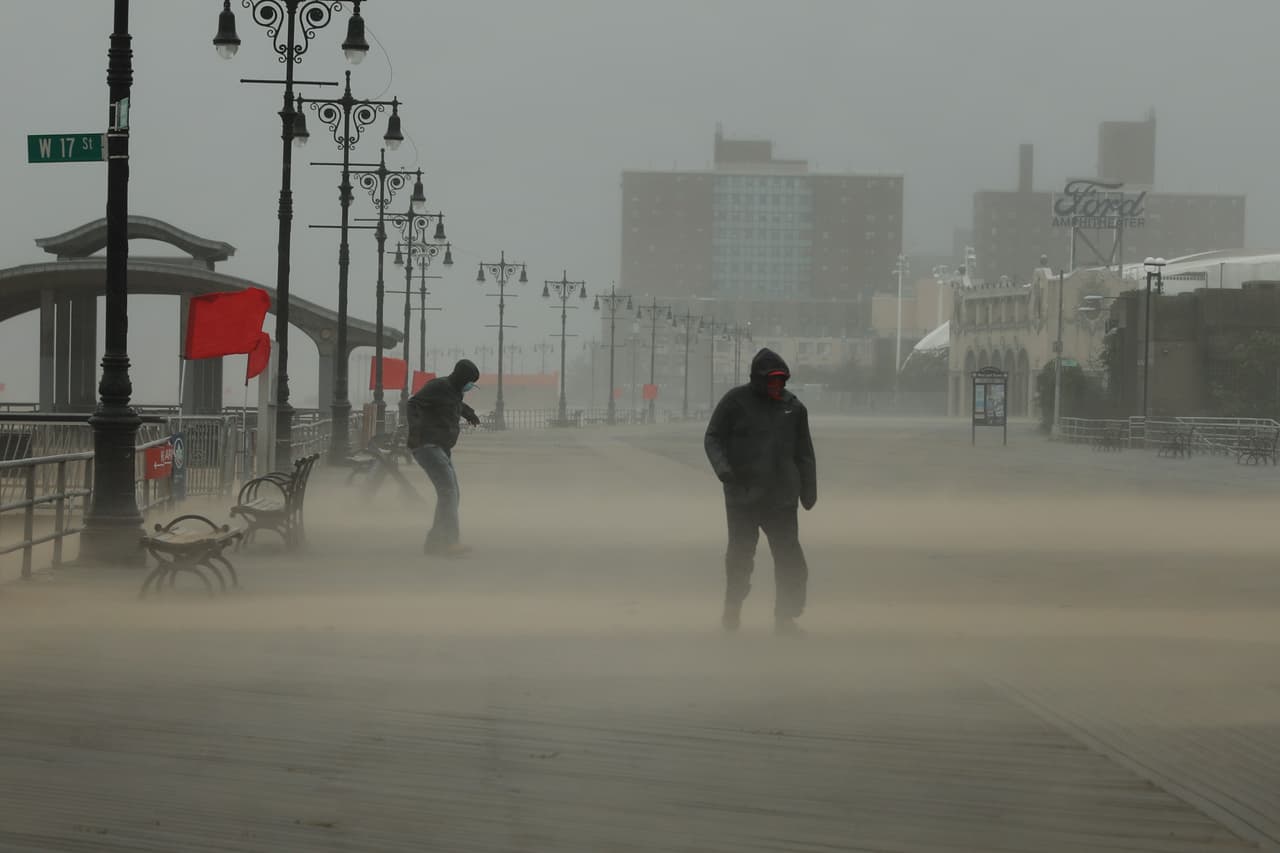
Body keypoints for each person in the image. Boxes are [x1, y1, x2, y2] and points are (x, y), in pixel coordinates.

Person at [704, 348, 817, 635]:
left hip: (781, 499)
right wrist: (723, 469)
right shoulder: (735, 402)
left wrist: (808, 490)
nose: (777, 386)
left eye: (781, 380)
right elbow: (713, 436)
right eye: (771, 380)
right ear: (758, 379)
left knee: (790, 560)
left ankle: (786, 618)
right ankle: (733, 606)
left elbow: (804, 452)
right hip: (743, 496)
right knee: (740, 556)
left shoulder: (794, 408)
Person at [406, 358, 482, 557]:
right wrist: (414, 431)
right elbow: (413, 403)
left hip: (440, 447)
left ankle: (434, 542)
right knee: (448, 492)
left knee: (452, 493)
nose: (470, 386)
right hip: (427, 445)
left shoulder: (455, 391)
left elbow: (454, 404)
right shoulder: (439, 386)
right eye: (470, 381)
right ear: (461, 377)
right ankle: (449, 542)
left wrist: (469, 413)